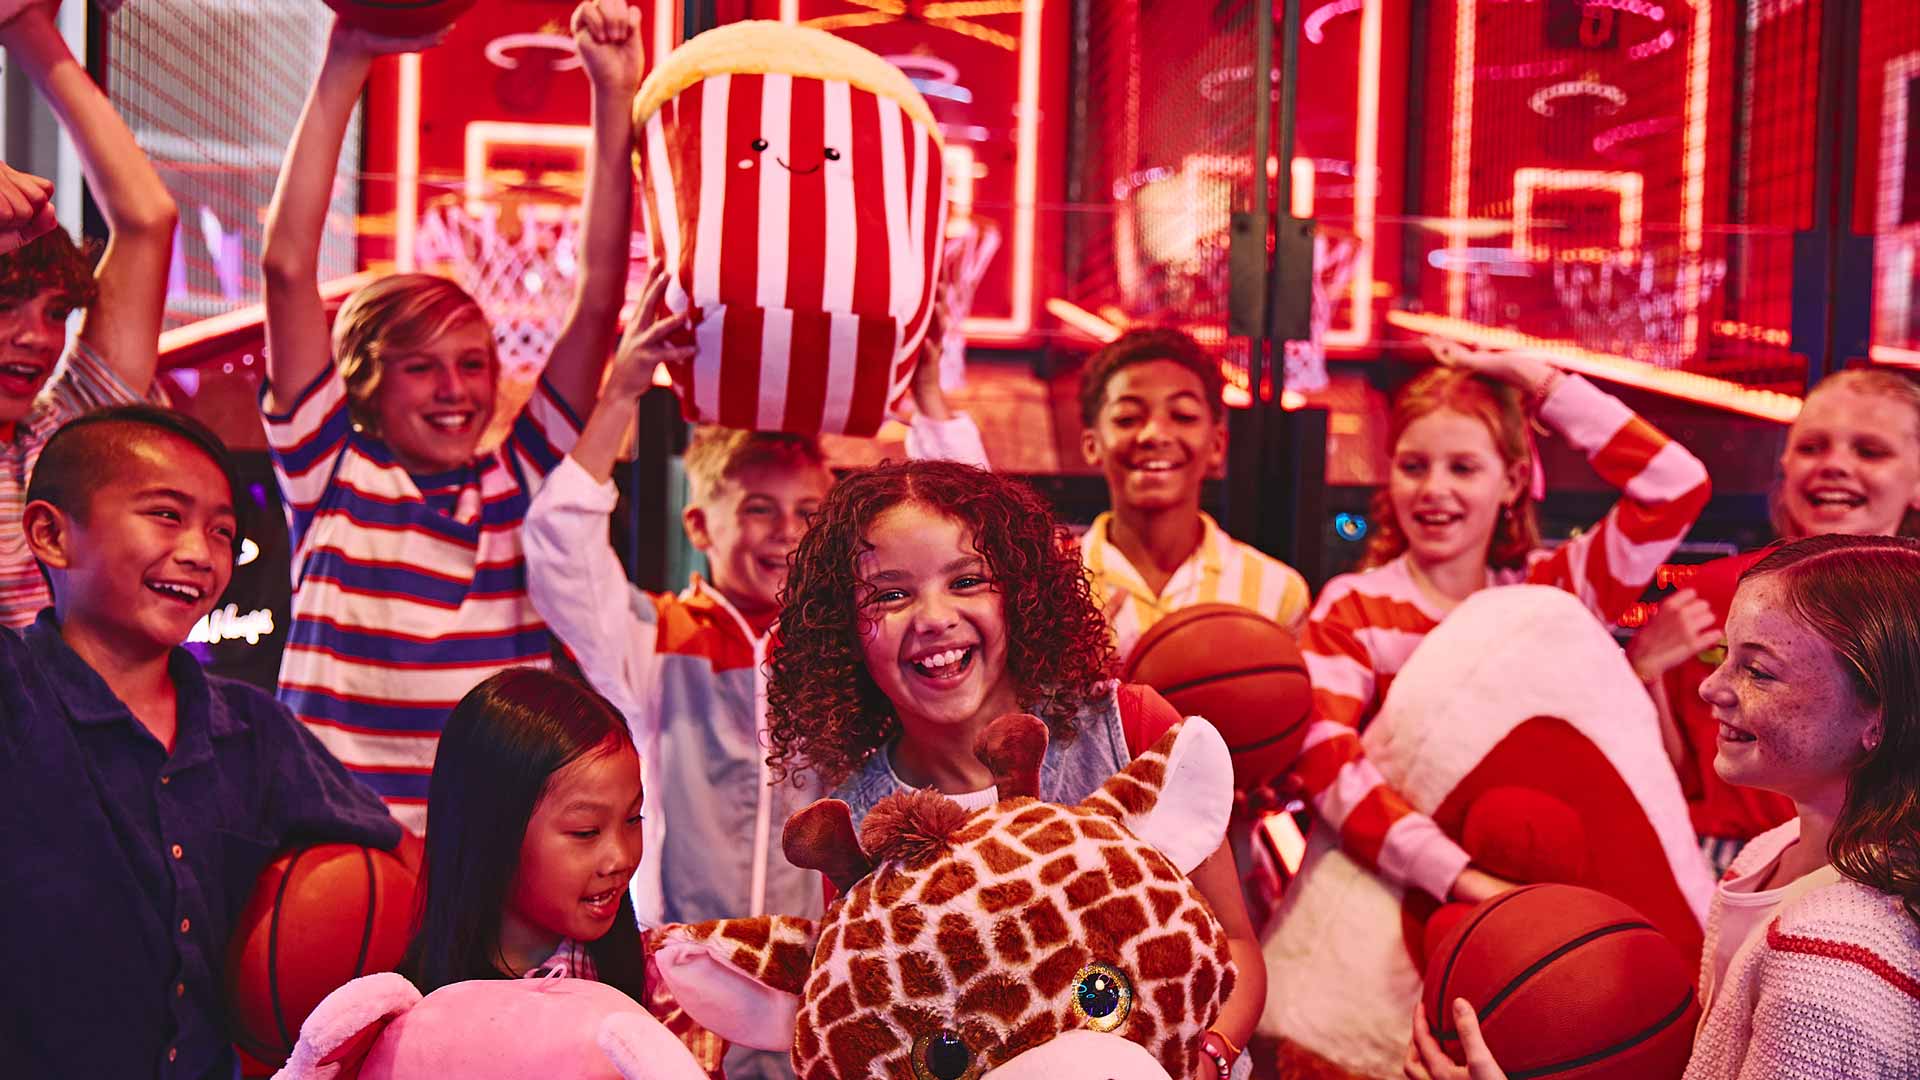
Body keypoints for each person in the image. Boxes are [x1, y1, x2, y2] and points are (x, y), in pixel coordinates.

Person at [258, 0, 640, 831]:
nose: (453, 389)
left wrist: (615, 95)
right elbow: (286, 267)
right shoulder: (332, 470)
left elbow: (598, 299)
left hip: (484, 847)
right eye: (420, 367)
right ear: (366, 383)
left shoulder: (520, 480)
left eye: (472, 364)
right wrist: (346, 60)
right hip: (338, 846)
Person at [765, 458, 1267, 1079]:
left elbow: (1235, 944)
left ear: (1020, 594)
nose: (934, 617)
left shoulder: (1126, 727)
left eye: (967, 580)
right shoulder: (854, 824)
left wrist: (1210, 1056)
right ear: (841, 629)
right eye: (890, 594)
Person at [1407, 533, 1920, 1080]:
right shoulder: (1767, 853)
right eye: (1723, 657)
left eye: (1758, 671)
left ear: (1881, 715)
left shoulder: (1834, 961)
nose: (1710, 687)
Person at [0, 405, 399, 1078]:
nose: (199, 553)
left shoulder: (255, 729)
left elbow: (396, 857)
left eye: (222, 532)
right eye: (166, 514)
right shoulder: (14, 693)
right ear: (51, 534)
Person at [1286, 339, 1710, 910]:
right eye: (1413, 466)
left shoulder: (1551, 593)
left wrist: (1535, 380)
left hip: (1536, 891)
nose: (1434, 489)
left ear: (1512, 481)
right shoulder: (1354, 607)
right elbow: (1325, 760)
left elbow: (1676, 484)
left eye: (1463, 467)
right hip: (1383, 900)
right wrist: (1456, 875)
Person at [1629, 368, 1920, 873]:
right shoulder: (1714, 593)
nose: (1834, 465)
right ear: (1785, 464)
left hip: (1885, 858)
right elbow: (1677, 774)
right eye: (1811, 447)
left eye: (1870, 451)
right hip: (1720, 857)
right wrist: (1643, 673)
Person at [399, 666, 724, 1077]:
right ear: (491, 831)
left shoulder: (668, 991)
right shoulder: (412, 1015)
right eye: (586, 831)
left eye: (633, 819)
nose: (620, 857)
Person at [0, 0, 178, 630]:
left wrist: (29, 31)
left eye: (57, 312)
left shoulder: (61, 435)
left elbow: (149, 220)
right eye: (4, 306)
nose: (37, 336)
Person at [1077, 328, 1311, 657]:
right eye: (1127, 418)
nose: (1155, 434)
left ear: (1217, 445)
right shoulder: (1046, 589)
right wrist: (1075, 679)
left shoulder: (1278, 590)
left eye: (1183, 416)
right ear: (1092, 445)